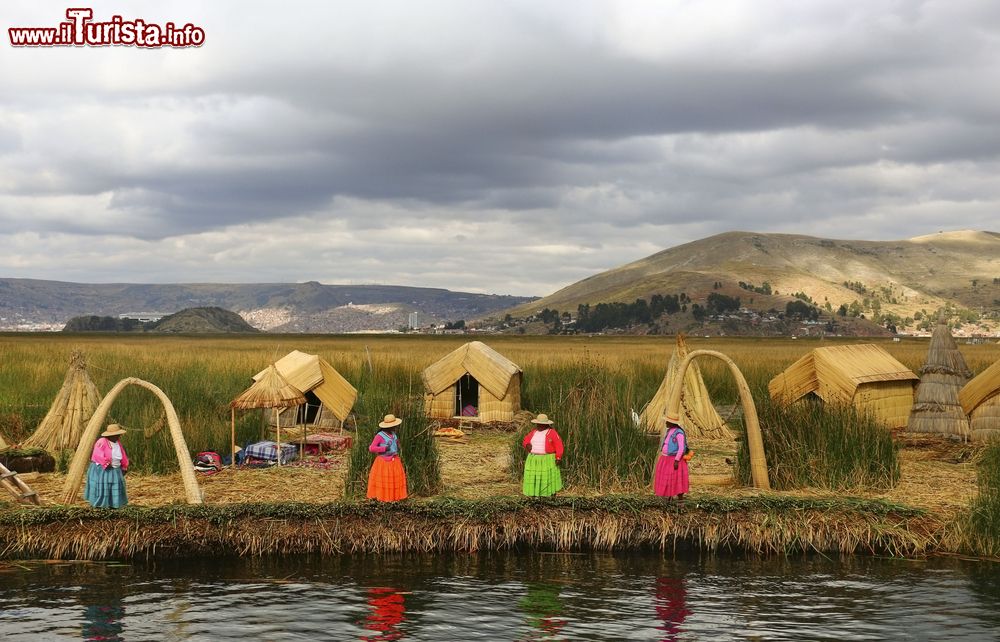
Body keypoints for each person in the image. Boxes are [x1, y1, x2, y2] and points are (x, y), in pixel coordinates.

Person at [84, 424, 129, 508]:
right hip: (103, 469)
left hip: (116, 469)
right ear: (110, 435)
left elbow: (122, 454)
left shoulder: (118, 443)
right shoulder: (101, 441)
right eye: (116, 435)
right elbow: (97, 454)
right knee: (104, 487)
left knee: (114, 486)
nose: (118, 437)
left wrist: (124, 466)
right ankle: (100, 505)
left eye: (118, 435)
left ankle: (113, 504)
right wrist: (106, 463)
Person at [521, 413, 564, 497]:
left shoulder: (552, 433)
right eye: (538, 424)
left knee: (546, 477)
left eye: (542, 424)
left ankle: (548, 494)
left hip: (547, 459)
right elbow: (525, 440)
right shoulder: (534, 432)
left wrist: (558, 457)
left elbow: (559, 445)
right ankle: (534, 494)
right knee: (534, 476)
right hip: (533, 459)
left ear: (547, 424)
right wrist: (526, 445)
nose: (540, 426)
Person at [367, 414, 408, 502]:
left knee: (394, 480)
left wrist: (399, 446)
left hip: (394, 460)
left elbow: (396, 443)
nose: (395, 427)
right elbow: (371, 448)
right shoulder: (380, 436)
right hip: (383, 462)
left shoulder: (393, 434)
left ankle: (393, 497)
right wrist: (384, 448)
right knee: (384, 480)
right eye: (394, 426)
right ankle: (384, 498)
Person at [654, 413, 690, 500]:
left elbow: (681, 448)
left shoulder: (679, 433)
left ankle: (680, 499)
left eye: (667, 421)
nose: (666, 422)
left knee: (676, 478)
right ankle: (669, 497)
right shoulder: (670, 430)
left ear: (672, 422)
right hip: (666, 458)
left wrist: (677, 460)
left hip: (674, 459)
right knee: (668, 478)